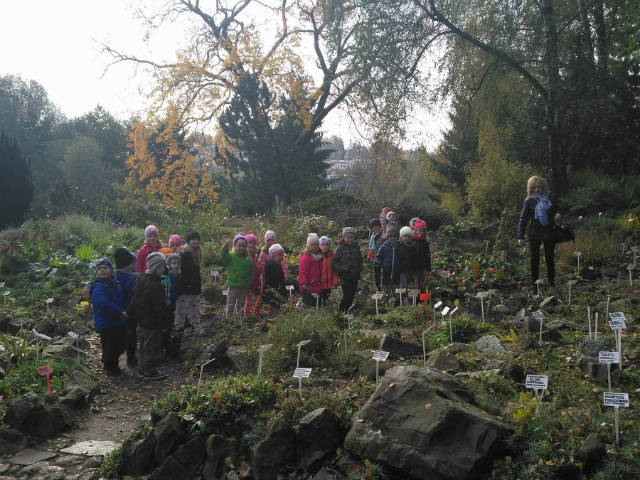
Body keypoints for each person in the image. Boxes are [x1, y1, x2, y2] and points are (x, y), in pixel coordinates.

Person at [128, 252, 170, 380]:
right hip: (152, 322)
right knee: (152, 346)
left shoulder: (140, 279)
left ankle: (142, 368)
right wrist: (164, 323)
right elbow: (159, 308)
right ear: (156, 267)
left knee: (143, 345)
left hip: (141, 320)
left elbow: (134, 299)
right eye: (163, 266)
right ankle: (150, 371)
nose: (165, 269)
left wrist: (130, 312)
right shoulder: (157, 286)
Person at [517, 175, 561, 292]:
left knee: (549, 258)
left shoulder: (551, 197)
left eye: (539, 187)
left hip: (548, 231)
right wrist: (520, 236)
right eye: (534, 187)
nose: (537, 189)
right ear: (530, 189)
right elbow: (523, 219)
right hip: (534, 232)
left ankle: (552, 283)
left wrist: (557, 213)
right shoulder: (528, 201)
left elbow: (557, 209)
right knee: (534, 260)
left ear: (543, 187)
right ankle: (535, 286)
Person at [90, 258, 127, 376]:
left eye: (105, 268)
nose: (102, 270)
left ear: (111, 271)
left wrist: (124, 311)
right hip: (106, 322)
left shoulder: (114, 284)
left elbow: (121, 299)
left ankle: (109, 363)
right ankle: (111, 367)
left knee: (118, 344)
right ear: (96, 272)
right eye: (99, 269)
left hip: (116, 321)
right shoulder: (99, 286)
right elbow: (101, 302)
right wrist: (118, 311)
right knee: (110, 345)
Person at [114, 247, 138, 368]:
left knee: (120, 334)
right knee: (131, 334)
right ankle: (131, 358)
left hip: (117, 311)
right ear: (128, 265)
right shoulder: (130, 279)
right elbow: (134, 294)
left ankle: (117, 356)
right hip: (130, 310)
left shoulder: (113, 276)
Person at [220, 233, 254, 316]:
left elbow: (251, 273)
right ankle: (229, 320)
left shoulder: (248, 259)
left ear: (246, 247)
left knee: (241, 306)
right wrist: (225, 247)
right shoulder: (231, 257)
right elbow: (223, 257)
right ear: (235, 246)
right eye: (239, 246)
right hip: (232, 287)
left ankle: (239, 322)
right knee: (230, 305)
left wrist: (249, 282)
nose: (241, 248)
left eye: (243, 246)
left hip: (243, 287)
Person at [254, 230, 287, 315]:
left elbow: (283, 266)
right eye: (268, 240)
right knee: (263, 295)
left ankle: (271, 312)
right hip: (266, 279)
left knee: (274, 296)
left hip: (276, 280)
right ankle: (256, 311)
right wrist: (264, 272)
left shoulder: (279, 251)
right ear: (265, 242)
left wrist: (284, 276)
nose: (270, 242)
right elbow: (260, 264)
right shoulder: (263, 253)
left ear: (275, 240)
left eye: (272, 239)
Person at [175, 231, 202, 330]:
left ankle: (195, 324)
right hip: (185, 285)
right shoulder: (184, 251)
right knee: (182, 308)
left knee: (195, 307)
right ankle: (179, 326)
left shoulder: (198, 252)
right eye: (192, 239)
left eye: (197, 238)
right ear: (188, 240)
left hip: (195, 285)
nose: (195, 241)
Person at [375, 226, 409, 305]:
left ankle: (397, 306)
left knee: (396, 292)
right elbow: (378, 258)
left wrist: (402, 267)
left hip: (397, 274)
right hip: (386, 273)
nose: (392, 238)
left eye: (394, 237)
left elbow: (406, 259)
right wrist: (382, 265)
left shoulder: (401, 247)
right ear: (388, 237)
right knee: (386, 291)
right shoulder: (383, 247)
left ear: (397, 237)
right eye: (390, 236)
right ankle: (386, 306)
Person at [332, 227, 363, 313]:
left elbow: (360, 259)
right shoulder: (340, 248)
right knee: (347, 294)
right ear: (343, 237)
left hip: (355, 275)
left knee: (352, 294)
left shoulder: (356, 247)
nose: (349, 239)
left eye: (351, 237)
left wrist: (360, 268)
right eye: (347, 237)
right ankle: (341, 310)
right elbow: (334, 262)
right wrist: (343, 269)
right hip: (345, 276)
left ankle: (347, 311)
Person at [298, 233, 323, 308]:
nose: (314, 246)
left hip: (317, 285)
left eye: (316, 244)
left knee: (316, 306)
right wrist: (303, 283)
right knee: (308, 305)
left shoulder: (319, 256)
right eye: (312, 244)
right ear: (308, 245)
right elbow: (302, 271)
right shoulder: (306, 257)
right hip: (308, 286)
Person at [163, 253, 181, 357]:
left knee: (170, 322)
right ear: (168, 263)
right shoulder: (168, 274)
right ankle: (164, 344)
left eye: (178, 263)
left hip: (173, 302)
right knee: (166, 323)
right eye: (174, 262)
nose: (176, 264)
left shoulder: (177, 274)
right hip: (167, 303)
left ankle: (167, 343)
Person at [262, 243, 288, 313]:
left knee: (275, 304)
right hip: (271, 288)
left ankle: (273, 314)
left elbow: (281, 278)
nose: (281, 257)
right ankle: (272, 315)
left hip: (276, 288)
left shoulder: (277, 265)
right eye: (279, 255)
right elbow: (267, 276)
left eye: (282, 255)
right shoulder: (271, 265)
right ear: (273, 256)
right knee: (274, 303)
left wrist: (283, 288)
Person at [411, 220, 431, 292]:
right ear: (414, 230)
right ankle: (414, 300)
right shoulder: (411, 241)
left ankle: (422, 299)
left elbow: (427, 256)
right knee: (414, 282)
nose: (419, 232)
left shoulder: (425, 243)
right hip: (412, 266)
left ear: (424, 232)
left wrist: (428, 268)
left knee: (421, 283)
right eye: (417, 230)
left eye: (421, 231)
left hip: (421, 267)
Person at [319, 236, 339, 305]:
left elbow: (335, 271)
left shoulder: (332, 257)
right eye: (323, 244)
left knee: (326, 299)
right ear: (319, 245)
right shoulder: (317, 257)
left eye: (327, 245)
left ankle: (326, 311)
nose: (325, 246)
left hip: (329, 284)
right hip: (319, 283)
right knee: (319, 300)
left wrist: (335, 280)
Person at [243, 234, 260, 317]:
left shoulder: (255, 255)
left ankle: (246, 314)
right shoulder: (243, 255)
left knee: (249, 297)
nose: (252, 245)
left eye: (254, 243)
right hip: (244, 280)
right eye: (250, 242)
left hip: (253, 279)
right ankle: (237, 312)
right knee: (241, 297)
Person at [367, 219, 384, 291]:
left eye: (377, 226)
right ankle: (379, 290)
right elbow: (372, 248)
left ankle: (383, 290)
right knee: (376, 275)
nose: (375, 228)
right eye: (373, 226)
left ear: (379, 226)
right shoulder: (372, 236)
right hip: (374, 258)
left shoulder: (382, 234)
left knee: (382, 275)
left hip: (382, 258)